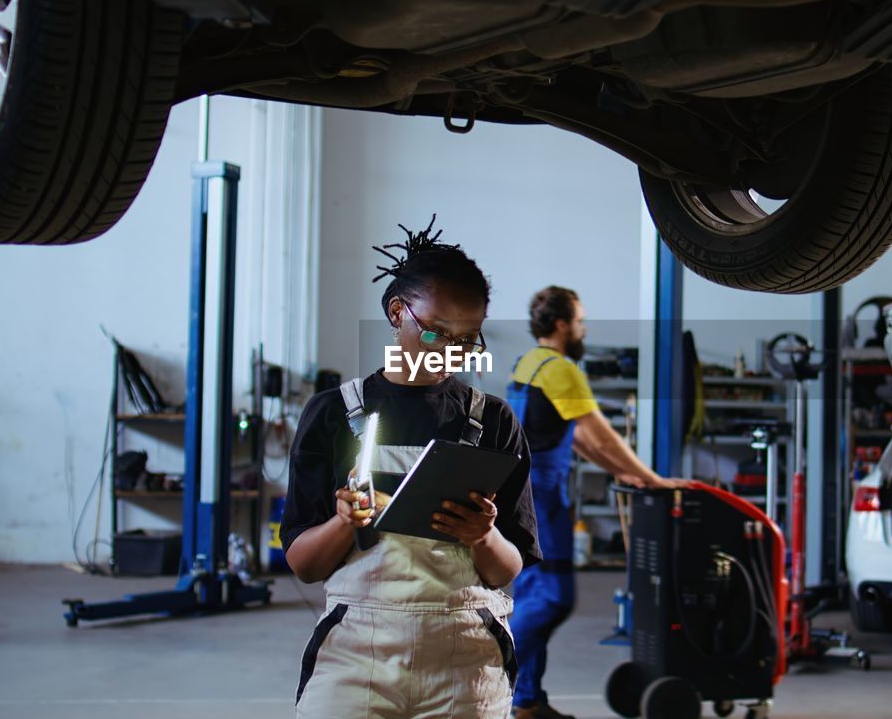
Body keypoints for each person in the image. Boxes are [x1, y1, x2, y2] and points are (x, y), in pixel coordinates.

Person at [281, 220, 541, 719]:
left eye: (467, 340)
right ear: (397, 312)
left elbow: (508, 569)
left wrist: (483, 535)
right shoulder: (336, 413)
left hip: (467, 659)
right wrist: (344, 523)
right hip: (357, 653)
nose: (449, 352)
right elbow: (304, 566)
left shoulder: (493, 421)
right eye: (436, 333)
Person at [506, 285, 684, 719]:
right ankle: (490, 660)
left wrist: (624, 473)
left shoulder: (528, 363)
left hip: (519, 493)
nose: (585, 328)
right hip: (541, 500)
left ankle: (526, 703)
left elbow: (578, 436)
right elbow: (599, 431)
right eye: (582, 320)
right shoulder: (562, 368)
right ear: (563, 324)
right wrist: (652, 478)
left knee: (532, 597)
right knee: (552, 599)